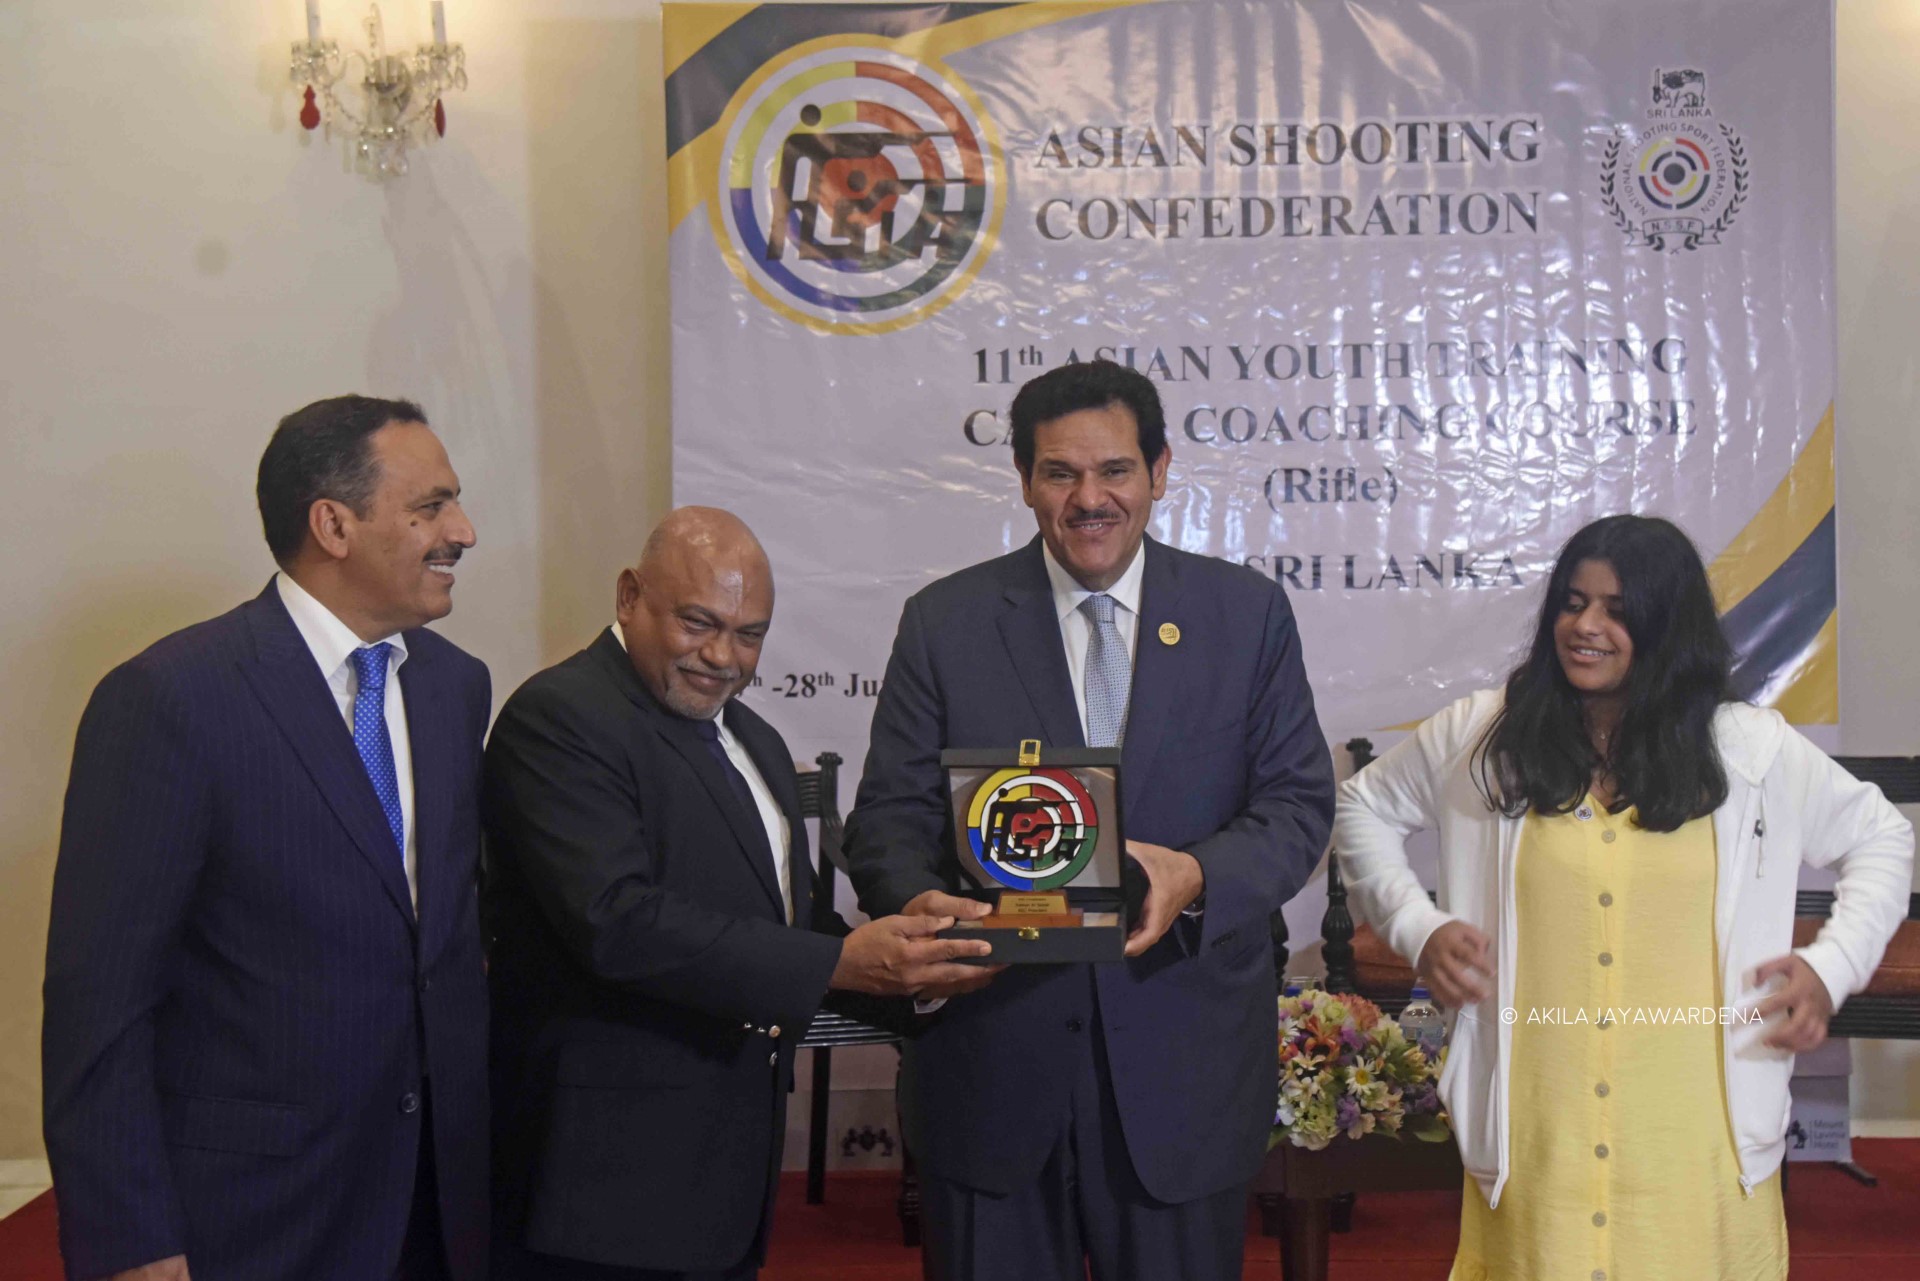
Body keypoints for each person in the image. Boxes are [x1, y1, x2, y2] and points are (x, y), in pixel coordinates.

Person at [844, 360, 1336, 1281]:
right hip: (992, 1062)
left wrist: (1196, 875)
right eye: (1060, 473)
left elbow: (1297, 805)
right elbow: (886, 819)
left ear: (1160, 470)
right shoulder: (946, 622)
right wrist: (920, 904)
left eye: (1114, 470)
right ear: (1025, 480)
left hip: (1181, 1072)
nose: (1089, 499)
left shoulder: (1244, 616)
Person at [1335, 514, 1914, 1281]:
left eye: (1617, 610)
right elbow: (1363, 806)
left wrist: (1831, 966)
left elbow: (1882, 837)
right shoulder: (1485, 735)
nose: (1586, 626)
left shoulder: (1749, 748)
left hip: (1698, 1147)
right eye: (1573, 603)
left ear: (1667, 626)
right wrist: (1416, 923)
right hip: (1540, 1141)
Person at [43, 396, 492, 1281]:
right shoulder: (172, 699)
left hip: (436, 1207)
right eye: (431, 506)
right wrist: (132, 1240)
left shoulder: (454, 686)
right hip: (257, 1219)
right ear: (334, 524)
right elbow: (101, 1006)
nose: (463, 531)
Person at [482, 506, 993, 1281]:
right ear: (629, 596)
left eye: (749, 634)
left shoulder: (756, 739)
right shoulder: (560, 715)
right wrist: (841, 961)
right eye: (698, 622)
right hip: (599, 1189)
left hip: (724, 1176)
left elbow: (793, 925)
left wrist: (918, 967)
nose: (723, 656)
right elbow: (617, 920)